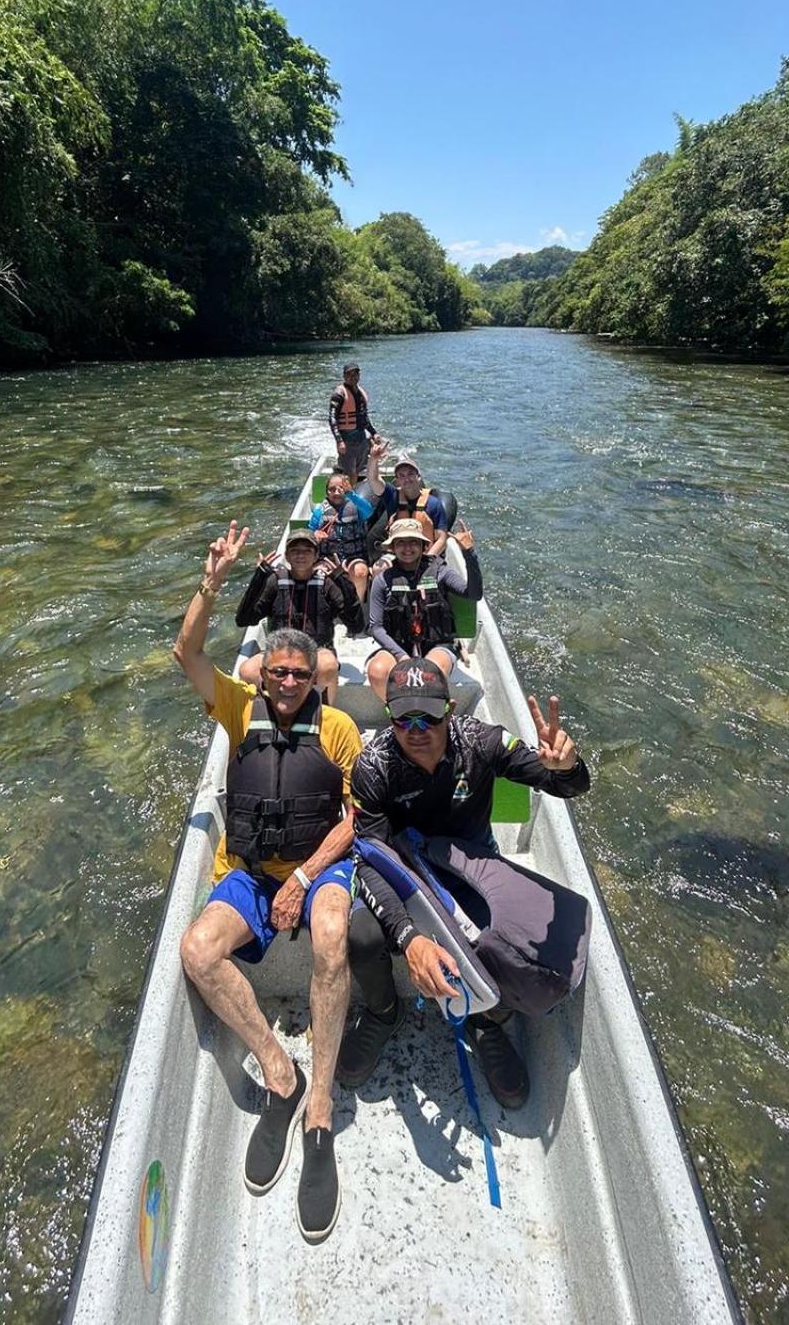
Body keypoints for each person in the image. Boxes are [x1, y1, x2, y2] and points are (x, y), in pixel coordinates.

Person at [175, 521, 360, 1243]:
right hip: (249, 871)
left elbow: (355, 817)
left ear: (314, 679)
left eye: (298, 675)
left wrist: (309, 875)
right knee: (197, 952)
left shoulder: (340, 728)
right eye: (275, 672)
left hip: (321, 868)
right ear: (261, 673)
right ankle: (278, 1070)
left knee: (334, 934)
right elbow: (185, 652)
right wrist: (212, 581)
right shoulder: (235, 706)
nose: (285, 683)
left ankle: (318, 1110)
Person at [338, 659, 591, 1108]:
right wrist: (410, 937)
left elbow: (567, 786)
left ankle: (489, 1022)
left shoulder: (482, 741)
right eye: (403, 718)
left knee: (494, 936)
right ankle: (383, 1012)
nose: (416, 729)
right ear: (390, 715)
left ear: (450, 710)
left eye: (429, 717)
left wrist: (566, 768)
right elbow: (371, 860)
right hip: (402, 871)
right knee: (359, 936)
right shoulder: (372, 768)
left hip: (469, 866)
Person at [234, 526, 366, 706]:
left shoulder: (326, 584)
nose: (301, 555)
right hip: (279, 651)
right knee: (247, 670)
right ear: (287, 556)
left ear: (315, 555)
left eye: (307, 551)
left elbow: (356, 625)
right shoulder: (275, 582)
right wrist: (259, 578)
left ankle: (323, 718)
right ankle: (270, 716)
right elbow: (244, 620)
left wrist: (342, 580)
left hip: (316, 651)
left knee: (327, 664)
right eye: (295, 551)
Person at [365, 517, 482, 701]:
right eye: (401, 543)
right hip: (399, 645)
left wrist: (469, 554)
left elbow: (473, 594)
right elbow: (375, 627)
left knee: (429, 671)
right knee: (377, 671)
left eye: (413, 542)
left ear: (423, 546)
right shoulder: (383, 580)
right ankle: (397, 715)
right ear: (393, 548)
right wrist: (401, 656)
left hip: (436, 645)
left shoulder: (440, 571)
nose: (407, 548)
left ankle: (428, 718)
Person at [309, 438, 386, 602]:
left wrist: (351, 493)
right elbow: (309, 533)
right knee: (318, 574)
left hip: (354, 557)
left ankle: (356, 606)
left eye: (340, 489)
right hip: (328, 557)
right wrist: (314, 535)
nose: (336, 492)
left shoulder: (356, 505)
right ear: (326, 492)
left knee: (360, 572)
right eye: (332, 489)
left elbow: (368, 510)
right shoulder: (319, 511)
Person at [378, 452, 449, 560]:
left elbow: (442, 539)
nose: (407, 479)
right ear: (396, 480)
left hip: (425, 556)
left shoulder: (434, 504)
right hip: (398, 555)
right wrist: (374, 459)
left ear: (419, 477)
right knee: (379, 568)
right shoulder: (392, 497)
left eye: (411, 474)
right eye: (402, 476)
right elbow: (373, 480)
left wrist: (428, 560)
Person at [328, 362, 376, 484]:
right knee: (351, 473)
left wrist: (374, 433)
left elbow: (364, 418)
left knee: (361, 467)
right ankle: (350, 499)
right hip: (347, 439)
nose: (352, 377)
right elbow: (332, 419)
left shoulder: (360, 393)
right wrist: (339, 441)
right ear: (344, 376)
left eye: (355, 374)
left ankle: (357, 486)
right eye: (349, 374)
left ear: (359, 375)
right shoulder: (339, 394)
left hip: (360, 437)